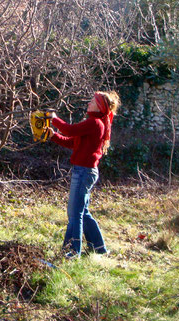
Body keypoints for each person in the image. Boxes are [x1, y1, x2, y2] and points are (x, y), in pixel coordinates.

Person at [47, 91, 120, 258]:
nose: (89, 103)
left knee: (74, 214)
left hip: (83, 171)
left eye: (92, 101)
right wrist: (53, 135)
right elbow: (73, 142)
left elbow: (69, 130)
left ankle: (71, 252)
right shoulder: (93, 123)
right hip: (86, 171)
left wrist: (54, 118)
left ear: (99, 106)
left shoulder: (95, 123)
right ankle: (99, 248)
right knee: (82, 212)